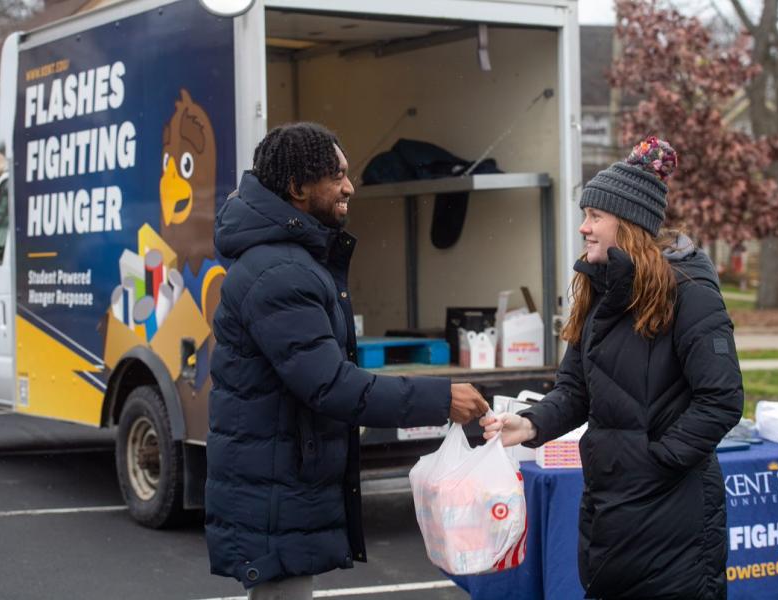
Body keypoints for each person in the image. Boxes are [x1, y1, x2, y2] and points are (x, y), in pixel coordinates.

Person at [205, 122, 489, 600]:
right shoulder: (279, 272)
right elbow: (331, 385)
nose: (350, 187)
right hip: (276, 486)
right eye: (336, 176)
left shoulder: (290, 261)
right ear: (297, 188)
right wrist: (440, 398)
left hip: (281, 478)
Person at [482, 137, 743, 600]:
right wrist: (527, 424)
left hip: (675, 521)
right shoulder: (600, 292)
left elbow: (722, 399)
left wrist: (657, 460)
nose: (583, 228)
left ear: (629, 224)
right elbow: (575, 391)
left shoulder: (690, 291)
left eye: (594, 216)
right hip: (611, 514)